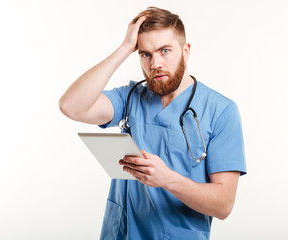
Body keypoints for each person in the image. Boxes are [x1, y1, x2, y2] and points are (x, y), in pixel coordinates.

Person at [59, 6, 246, 240]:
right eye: (145, 54)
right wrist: (125, 48)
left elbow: (224, 204)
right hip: (121, 233)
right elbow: (71, 106)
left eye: (164, 51)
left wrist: (167, 179)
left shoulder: (221, 111)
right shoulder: (131, 97)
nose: (155, 63)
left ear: (185, 51)